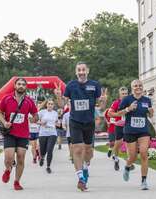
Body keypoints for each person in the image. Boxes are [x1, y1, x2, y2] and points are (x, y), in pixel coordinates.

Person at [55, 61, 107, 191]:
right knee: (77, 149)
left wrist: (104, 101)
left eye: (83, 70)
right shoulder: (71, 85)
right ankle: (81, 179)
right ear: (76, 72)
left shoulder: (94, 85)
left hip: (89, 123)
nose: (81, 72)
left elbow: (101, 108)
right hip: (75, 121)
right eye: (79, 70)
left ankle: (85, 165)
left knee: (89, 152)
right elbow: (62, 105)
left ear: (87, 71)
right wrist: (58, 96)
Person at [0, 77, 38, 191]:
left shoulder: (29, 101)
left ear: (26, 87)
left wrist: (34, 118)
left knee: (20, 158)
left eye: (23, 84)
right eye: (19, 84)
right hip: (10, 133)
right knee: (9, 159)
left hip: (23, 134)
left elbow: (35, 115)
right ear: (15, 86)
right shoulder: (6, 99)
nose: (21, 86)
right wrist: (5, 122)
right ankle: (8, 170)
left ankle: (17, 181)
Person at [115, 80, 153, 190]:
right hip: (130, 131)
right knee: (132, 156)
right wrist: (128, 109)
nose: (138, 87)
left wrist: (151, 111)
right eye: (135, 86)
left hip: (143, 130)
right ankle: (127, 167)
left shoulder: (147, 100)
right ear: (132, 88)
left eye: (140, 85)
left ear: (142, 87)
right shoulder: (127, 99)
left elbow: (150, 115)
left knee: (144, 153)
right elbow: (119, 113)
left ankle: (144, 180)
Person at [107, 87, 129, 171]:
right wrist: (119, 114)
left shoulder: (130, 102)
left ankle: (129, 162)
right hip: (119, 125)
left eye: (126, 93)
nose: (124, 95)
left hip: (128, 126)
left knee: (129, 143)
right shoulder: (116, 103)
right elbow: (109, 113)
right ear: (119, 94)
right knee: (118, 144)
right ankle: (116, 158)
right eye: (123, 94)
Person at [38, 99, 60, 174]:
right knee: (43, 150)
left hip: (52, 133)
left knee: (50, 150)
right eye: (49, 104)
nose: (50, 105)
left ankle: (48, 167)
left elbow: (57, 122)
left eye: (52, 104)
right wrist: (41, 123)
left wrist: (58, 124)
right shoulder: (42, 112)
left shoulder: (55, 113)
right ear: (46, 105)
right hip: (43, 133)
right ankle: (42, 157)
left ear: (53, 106)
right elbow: (35, 120)